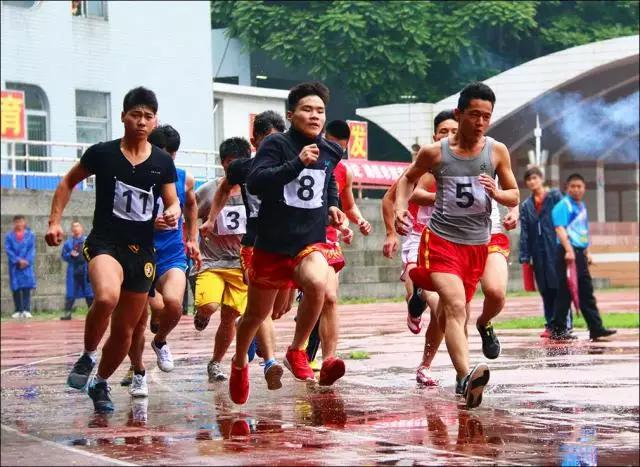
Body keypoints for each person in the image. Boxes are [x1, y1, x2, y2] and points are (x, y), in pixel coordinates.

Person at [45, 87, 180, 412]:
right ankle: (88, 355)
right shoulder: (102, 154)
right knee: (106, 297)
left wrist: (173, 211)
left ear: (154, 120)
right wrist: (54, 221)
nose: (142, 121)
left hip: (142, 252)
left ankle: (100, 382)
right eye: (136, 115)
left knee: (125, 330)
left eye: (148, 116)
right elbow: (67, 182)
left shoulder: (162, 162)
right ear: (123, 117)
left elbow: (172, 199)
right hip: (105, 242)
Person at [395, 82, 519, 409]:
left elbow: (514, 194)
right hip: (442, 242)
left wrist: (497, 194)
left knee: (472, 305)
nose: (480, 123)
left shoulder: (497, 151)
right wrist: (398, 212)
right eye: (474, 115)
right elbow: (407, 180)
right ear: (458, 113)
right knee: (453, 305)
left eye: (486, 117)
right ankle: (466, 376)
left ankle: (474, 334)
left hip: (478, 246)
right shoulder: (435, 153)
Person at [229, 81, 347, 405]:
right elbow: (255, 182)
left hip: (309, 242)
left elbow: (328, 181)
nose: (315, 116)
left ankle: (297, 349)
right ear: (292, 114)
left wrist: (334, 206)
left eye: (320, 111)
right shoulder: (276, 146)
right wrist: (297, 163)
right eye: (307, 110)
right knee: (256, 315)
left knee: (318, 283)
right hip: (272, 244)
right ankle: (239, 363)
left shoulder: (330, 151)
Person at [199, 111, 290, 389]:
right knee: (260, 308)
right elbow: (224, 188)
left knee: (276, 310)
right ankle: (266, 362)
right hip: (254, 246)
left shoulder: (294, 165)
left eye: (278, 140)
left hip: (288, 243)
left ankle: (248, 335)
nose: (273, 147)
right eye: (267, 141)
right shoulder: (244, 168)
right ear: (255, 142)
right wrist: (212, 219)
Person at [120, 124, 201, 395]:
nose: (167, 159)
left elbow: (191, 205)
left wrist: (191, 237)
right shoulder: (133, 175)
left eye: (172, 154)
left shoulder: (184, 178)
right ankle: (138, 370)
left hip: (171, 252)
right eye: (162, 153)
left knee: (174, 305)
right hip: (138, 252)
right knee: (139, 318)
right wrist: (146, 224)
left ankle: (161, 341)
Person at [192, 137, 264, 383]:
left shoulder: (255, 187)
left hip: (240, 263)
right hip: (211, 262)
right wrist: (191, 240)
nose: (234, 169)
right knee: (210, 306)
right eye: (229, 164)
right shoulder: (209, 191)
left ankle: (215, 362)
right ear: (223, 164)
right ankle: (201, 313)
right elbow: (189, 215)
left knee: (230, 318)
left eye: (239, 164)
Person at [305, 119, 372, 370]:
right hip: (301, 238)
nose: (336, 154)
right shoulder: (307, 158)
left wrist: (359, 221)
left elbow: (349, 205)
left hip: (329, 241)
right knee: (296, 302)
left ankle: (325, 359)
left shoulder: (344, 171)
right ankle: (296, 350)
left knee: (328, 297)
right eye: (333, 147)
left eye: (341, 150)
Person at [549, 173, 616, 341]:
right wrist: (569, 250)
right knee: (565, 292)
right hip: (566, 253)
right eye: (573, 186)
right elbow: (560, 229)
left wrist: (588, 252)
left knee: (586, 291)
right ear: (567, 188)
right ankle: (558, 330)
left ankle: (596, 328)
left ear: (584, 188)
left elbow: (583, 232)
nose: (576, 190)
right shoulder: (563, 206)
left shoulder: (581, 206)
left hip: (579, 253)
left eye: (579, 186)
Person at [519, 166, 567, 337]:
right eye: (529, 179)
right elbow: (524, 232)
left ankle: (563, 325)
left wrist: (567, 246)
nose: (532, 182)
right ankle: (550, 325)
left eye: (535, 178)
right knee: (545, 290)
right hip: (538, 253)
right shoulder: (526, 205)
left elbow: (564, 221)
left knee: (559, 288)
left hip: (555, 249)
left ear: (541, 178)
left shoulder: (554, 196)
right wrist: (525, 256)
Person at [60, 221, 93, 320]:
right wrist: (70, 254)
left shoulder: (87, 240)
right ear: (71, 229)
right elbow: (63, 255)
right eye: (74, 226)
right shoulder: (68, 243)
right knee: (70, 293)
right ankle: (67, 313)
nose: (76, 228)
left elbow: (93, 252)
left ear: (81, 228)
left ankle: (92, 313)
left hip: (85, 270)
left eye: (77, 226)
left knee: (89, 294)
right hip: (73, 270)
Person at [5, 215, 36, 319]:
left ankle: (27, 309)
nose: (19, 224)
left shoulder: (30, 235)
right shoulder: (9, 236)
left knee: (26, 288)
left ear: (24, 222)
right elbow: (8, 250)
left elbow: (31, 249)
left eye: (21, 222)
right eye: (17, 222)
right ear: (14, 223)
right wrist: (18, 260)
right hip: (15, 266)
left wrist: (26, 261)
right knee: (16, 288)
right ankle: (18, 310)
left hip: (27, 265)